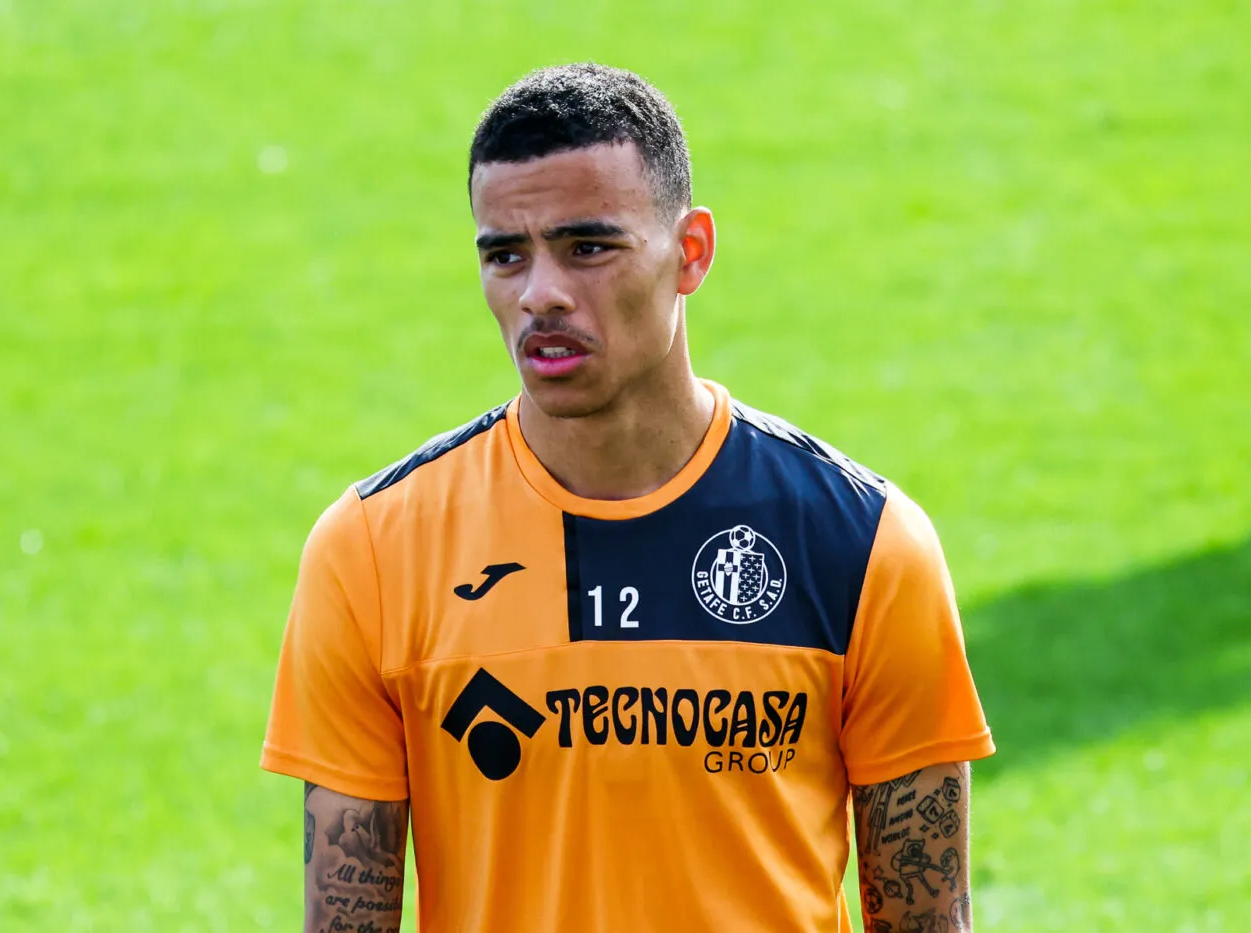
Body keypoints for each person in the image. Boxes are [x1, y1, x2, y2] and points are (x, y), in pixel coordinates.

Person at [261, 62, 995, 933]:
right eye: (505, 254)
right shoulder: (376, 549)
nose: (540, 294)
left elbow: (925, 920)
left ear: (690, 254)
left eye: (588, 248)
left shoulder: (860, 543)